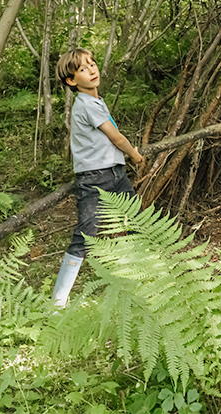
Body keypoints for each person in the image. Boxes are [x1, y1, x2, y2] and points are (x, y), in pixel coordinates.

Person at [51, 48, 144, 308]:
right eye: (82, 68)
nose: (92, 70)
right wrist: (134, 154)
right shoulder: (85, 103)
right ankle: (58, 300)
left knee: (137, 220)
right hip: (95, 177)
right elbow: (115, 137)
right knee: (86, 234)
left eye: (92, 64)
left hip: (115, 173)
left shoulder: (96, 101)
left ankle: (143, 279)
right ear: (71, 81)